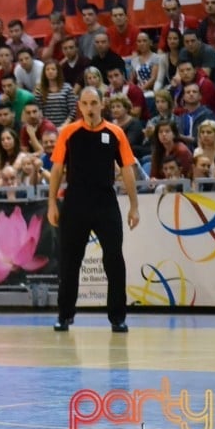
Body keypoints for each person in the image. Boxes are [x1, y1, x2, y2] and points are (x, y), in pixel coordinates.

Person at [47, 86, 139, 334]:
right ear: (80, 106)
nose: (89, 108)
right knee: (69, 262)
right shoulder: (68, 132)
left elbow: (128, 169)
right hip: (75, 202)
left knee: (114, 259)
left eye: (94, 103)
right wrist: (52, 203)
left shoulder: (115, 132)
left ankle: (117, 318)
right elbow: (56, 170)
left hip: (105, 202)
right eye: (85, 103)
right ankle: (64, 316)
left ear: (101, 104)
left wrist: (134, 206)